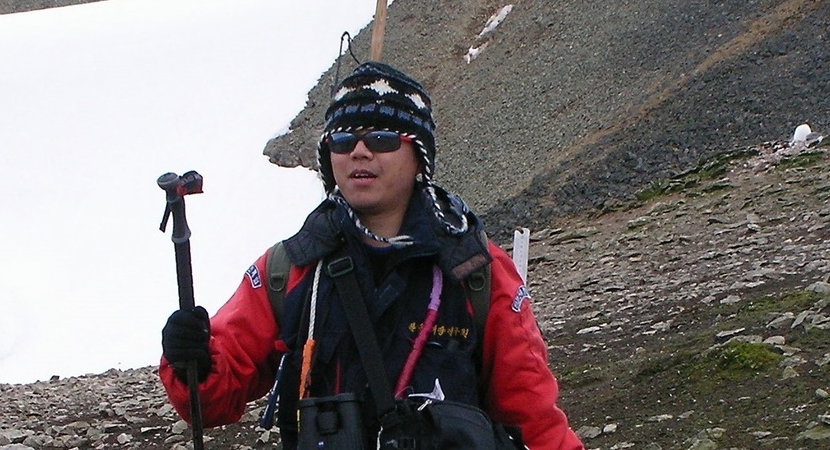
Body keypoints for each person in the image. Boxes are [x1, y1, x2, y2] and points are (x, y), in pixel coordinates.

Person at [159, 61, 585, 450]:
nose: (359, 152)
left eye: (381, 138)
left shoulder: (476, 271)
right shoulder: (289, 268)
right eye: (343, 140)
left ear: (419, 156)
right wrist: (189, 359)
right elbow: (213, 398)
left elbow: (534, 419)